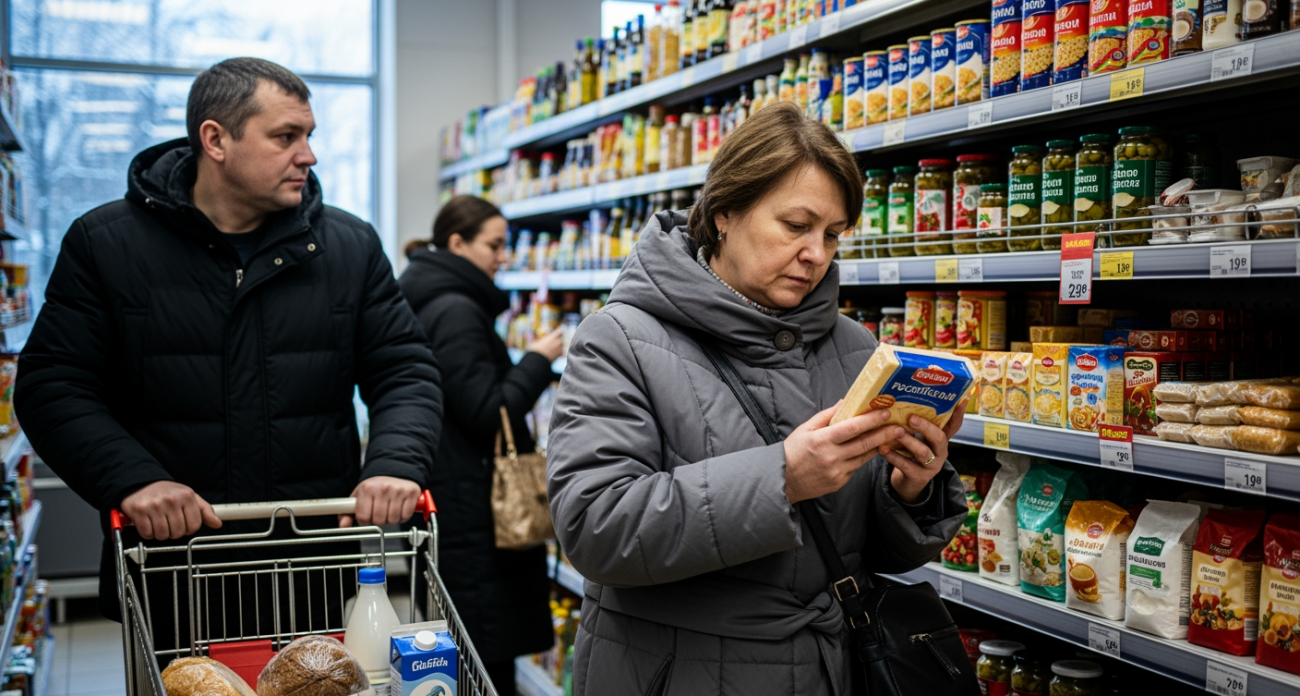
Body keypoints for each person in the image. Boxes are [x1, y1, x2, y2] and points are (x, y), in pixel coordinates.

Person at [546, 102, 968, 696]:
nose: (817, 254)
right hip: (676, 672)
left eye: (832, 235)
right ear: (724, 212)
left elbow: (863, 553)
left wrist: (909, 489)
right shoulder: (621, 339)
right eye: (795, 226)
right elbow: (596, 527)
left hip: (829, 670)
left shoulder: (854, 348)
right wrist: (783, 477)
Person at [14, 58, 442, 643]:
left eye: (309, 136)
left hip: (312, 571)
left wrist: (395, 462)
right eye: (286, 136)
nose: (308, 155)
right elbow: (52, 385)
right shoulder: (106, 244)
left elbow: (405, 370)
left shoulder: (348, 246)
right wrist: (133, 480)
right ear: (215, 140)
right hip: (173, 571)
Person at [398, 195, 562, 696]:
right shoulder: (454, 310)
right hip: (474, 512)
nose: (503, 256)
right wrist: (535, 360)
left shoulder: (439, 299)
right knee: (482, 661)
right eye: (494, 244)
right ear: (456, 243)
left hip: (460, 502)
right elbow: (488, 413)